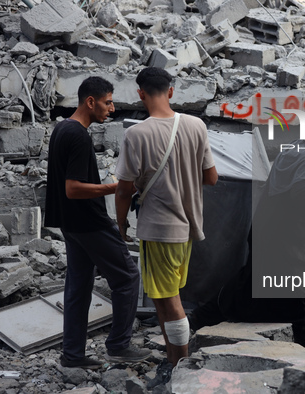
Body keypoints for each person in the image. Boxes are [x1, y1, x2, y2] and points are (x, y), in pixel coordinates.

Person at [188, 116, 305, 360]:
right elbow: (301, 194)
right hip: (289, 237)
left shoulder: (300, 148)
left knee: (251, 281)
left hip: (269, 231)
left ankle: (198, 318)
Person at [114, 67, 218, 372]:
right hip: (187, 227)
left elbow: (123, 190)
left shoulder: (136, 134)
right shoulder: (196, 125)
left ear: (141, 94)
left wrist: (121, 224)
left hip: (159, 228)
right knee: (162, 297)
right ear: (171, 92)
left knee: (170, 300)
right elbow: (211, 178)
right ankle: (172, 358)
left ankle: (180, 365)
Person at [45, 76, 151, 369]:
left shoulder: (62, 128)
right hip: (89, 222)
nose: (112, 109)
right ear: (90, 102)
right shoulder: (78, 135)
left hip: (70, 224)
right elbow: (73, 188)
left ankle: (73, 356)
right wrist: (113, 187)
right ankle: (118, 346)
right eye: (107, 102)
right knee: (128, 277)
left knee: (79, 287)